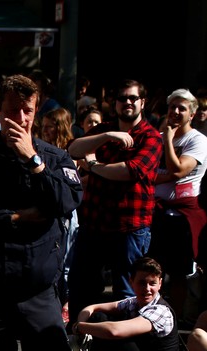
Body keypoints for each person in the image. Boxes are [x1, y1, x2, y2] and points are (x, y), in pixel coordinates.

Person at [0, 74, 83, 351]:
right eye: (12, 110)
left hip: (39, 290)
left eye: (28, 111)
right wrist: (16, 218)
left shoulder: (54, 158)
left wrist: (33, 161)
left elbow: (68, 200)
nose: (21, 118)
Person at [67, 79, 163, 320]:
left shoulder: (151, 137)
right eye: (122, 98)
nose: (127, 102)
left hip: (130, 227)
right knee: (82, 284)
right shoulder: (104, 130)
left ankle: (124, 340)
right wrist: (107, 135)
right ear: (115, 103)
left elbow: (130, 171)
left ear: (143, 102)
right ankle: (82, 333)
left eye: (133, 98)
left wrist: (93, 165)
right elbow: (73, 150)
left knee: (127, 289)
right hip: (94, 223)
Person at [148, 89, 207, 315]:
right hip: (156, 213)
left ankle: (177, 320)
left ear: (191, 114)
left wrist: (169, 139)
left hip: (183, 218)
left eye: (182, 108)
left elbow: (178, 169)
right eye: (172, 107)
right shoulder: (157, 136)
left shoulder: (198, 140)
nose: (175, 111)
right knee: (154, 269)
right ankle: (152, 316)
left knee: (180, 273)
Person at [73, 257, 179, 351]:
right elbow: (93, 308)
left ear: (160, 284)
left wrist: (80, 327)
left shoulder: (161, 311)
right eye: (142, 283)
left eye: (152, 283)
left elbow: (114, 331)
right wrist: (81, 324)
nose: (147, 289)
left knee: (112, 334)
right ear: (131, 282)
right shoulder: (133, 302)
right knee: (98, 317)